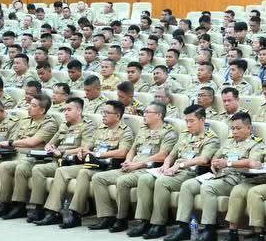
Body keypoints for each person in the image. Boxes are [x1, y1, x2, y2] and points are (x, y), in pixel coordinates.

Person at [39, 100, 133, 228]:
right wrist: (83, 151)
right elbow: (89, 145)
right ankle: (52, 212)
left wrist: (97, 154)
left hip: (108, 166)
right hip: (93, 164)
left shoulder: (125, 131)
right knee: (61, 171)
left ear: (117, 115)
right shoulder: (101, 129)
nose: (103, 115)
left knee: (84, 172)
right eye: (103, 112)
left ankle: (75, 213)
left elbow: (122, 152)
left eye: (107, 112)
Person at [130, 106, 219, 240]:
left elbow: (203, 159)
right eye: (186, 121)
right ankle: (145, 222)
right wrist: (166, 165)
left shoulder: (211, 138)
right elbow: (172, 154)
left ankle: (159, 224)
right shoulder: (185, 134)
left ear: (202, 120)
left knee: (162, 182)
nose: (188, 125)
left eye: (192, 121)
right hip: (175, 170)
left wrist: (179, 165)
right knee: (145, 179)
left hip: (191, 172)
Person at [88, 102, 176, 233]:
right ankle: (107, 217)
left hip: (148, 169)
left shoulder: (168, 132)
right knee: (98, 178)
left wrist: (137, 164)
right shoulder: (143, 129)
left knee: (122, 181)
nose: (144, 115)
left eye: (147, 112)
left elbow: (162, 155)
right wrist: (128, 161)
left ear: (158, 115)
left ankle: (122, 219)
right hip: (132, 166)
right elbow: (133, 149)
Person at [183, 111, 263, 241]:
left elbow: (252, 162)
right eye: (232, 128)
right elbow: (217, 155)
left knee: (207, 187)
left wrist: (228, 163)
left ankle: (209, 229)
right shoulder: (229, 141)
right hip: (220, 176)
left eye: (238, 128)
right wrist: (214, 163)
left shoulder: (256, 144)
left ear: (249, 128)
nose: (234, 132)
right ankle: (182, 226)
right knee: (189, 184)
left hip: (238, 178)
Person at [24, 96, 98, 223]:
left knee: (59, 171)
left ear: (79, 111)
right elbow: (51, 143)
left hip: (72, 161)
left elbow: (84, 148)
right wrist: (50, 147)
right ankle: (38, 208)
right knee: (37, 169)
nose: (66, 113)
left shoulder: (87, 126)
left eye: (69, 110)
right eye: (64, 110)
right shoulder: (64, 125)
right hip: (58, 160)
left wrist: (63, 152)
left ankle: (52, 212)